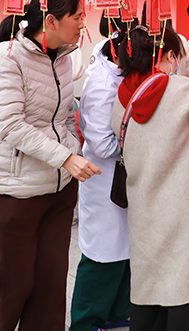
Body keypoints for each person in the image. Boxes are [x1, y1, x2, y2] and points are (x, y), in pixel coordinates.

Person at [111, 27, 189, 331]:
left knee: (148, 288)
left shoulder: (123, 95)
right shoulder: (183, 90)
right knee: (184, 289)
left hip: (144, 205)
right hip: (184, 206)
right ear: (168, 55)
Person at [0, 0, 100, 331]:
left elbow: (63, 118)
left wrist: (74, 151)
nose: (82, 22)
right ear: (52, 21)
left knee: (50, 287)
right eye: (77, 15)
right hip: (19, 192)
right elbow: (10, 124)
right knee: (11, 287)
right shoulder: (8, 57)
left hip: (60, 191)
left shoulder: (63, 58)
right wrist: (65, 157)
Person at [70, 17, 132, 331]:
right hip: (103, 174)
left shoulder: (114, 57)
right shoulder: (104, 79)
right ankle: (85, 320)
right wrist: (138, 146)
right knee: (101, 253)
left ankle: (117, 310)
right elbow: (101, 143)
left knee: (125, 248)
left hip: (122, 178)